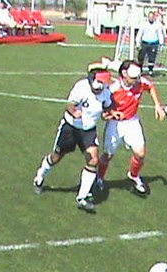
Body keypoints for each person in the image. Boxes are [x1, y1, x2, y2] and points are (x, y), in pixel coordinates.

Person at [33, 60, 117, 213]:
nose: (102, 86)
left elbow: (107, 108)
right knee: (56, 157)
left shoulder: (105, 92)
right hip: (70, 129)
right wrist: (74, 112)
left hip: (89, 131)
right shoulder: (81, 87)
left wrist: (108, 115)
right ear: (92, 79)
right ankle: (40, 176)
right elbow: (70, 104)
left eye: (104, 82)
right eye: (99, 82)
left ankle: (82, 197)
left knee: (93, 160)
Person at [97, 60, 167, 195]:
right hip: (115, 124)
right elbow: (103, 106)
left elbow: (151, 86)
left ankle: (133, 175)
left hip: (132, 122)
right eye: (133, 77)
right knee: (108, 155)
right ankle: (99, 177)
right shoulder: (113, 88)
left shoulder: (140, 82)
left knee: (140, 153)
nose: (136, 80)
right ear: (124, 74)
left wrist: (158, 105)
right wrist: (108, 114)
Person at [135, 11, 166, 76]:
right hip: (145, 43)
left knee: (152, 58)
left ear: (154, 17)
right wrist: (137, 42)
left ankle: (150, 70)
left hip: (153, 44)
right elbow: (140, 33)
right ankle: (140, 70)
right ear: (148, 17)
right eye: (150, 16)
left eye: (152, 16)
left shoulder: (157, 25)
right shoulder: (143, 24)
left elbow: (160, 34)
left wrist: (161, 44)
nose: (151, 18)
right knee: (141, 57)